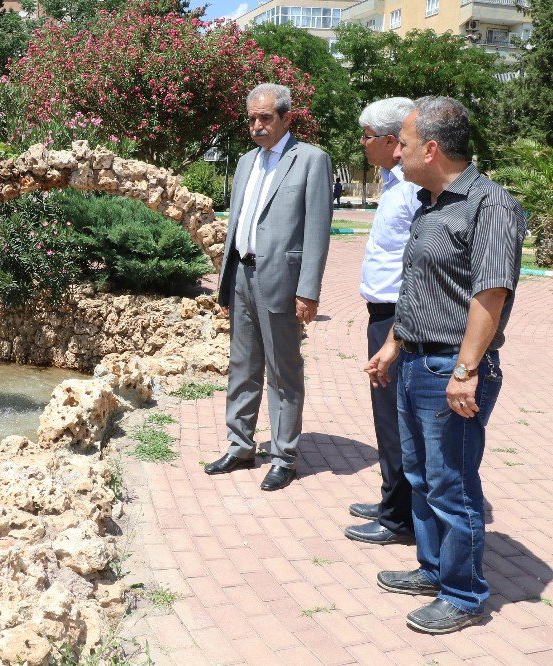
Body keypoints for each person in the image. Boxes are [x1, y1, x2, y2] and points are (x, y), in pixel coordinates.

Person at [366, 96, 526, 634]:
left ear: (431, 149)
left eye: (405, 145)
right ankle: (433, 569)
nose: (398, 154)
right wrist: (394, 343)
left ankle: (464, 594)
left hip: (450, 372)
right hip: (414, 362)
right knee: (422, 476)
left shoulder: (490, 204)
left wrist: (466, 369)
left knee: (452, 483)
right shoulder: (430, 202)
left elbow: (491, 292)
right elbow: (418, 287)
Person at [204, 83, 332, 491]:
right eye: (252, 119)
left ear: (285, 117)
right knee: (242, 366)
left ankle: (284, 455)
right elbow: (238, 224)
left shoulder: (311, 160)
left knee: (283, 371)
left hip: (281, 280)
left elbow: (317, 231)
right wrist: (225, 282)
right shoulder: (245, 162)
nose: (257, 126)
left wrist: (308, 291)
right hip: (241, 274)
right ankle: (240, 446)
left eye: (265, 118)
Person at [345, 98, 419, 545]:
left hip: (398, 318)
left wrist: (395, 331)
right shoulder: (394, 182)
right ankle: (393, 497)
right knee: (385, 414)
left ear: (393, 141)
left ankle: (399, 518)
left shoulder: (412, 187)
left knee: (394, 420)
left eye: (369, 136)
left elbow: (417, 264)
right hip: (382, 315)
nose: (363, 144)